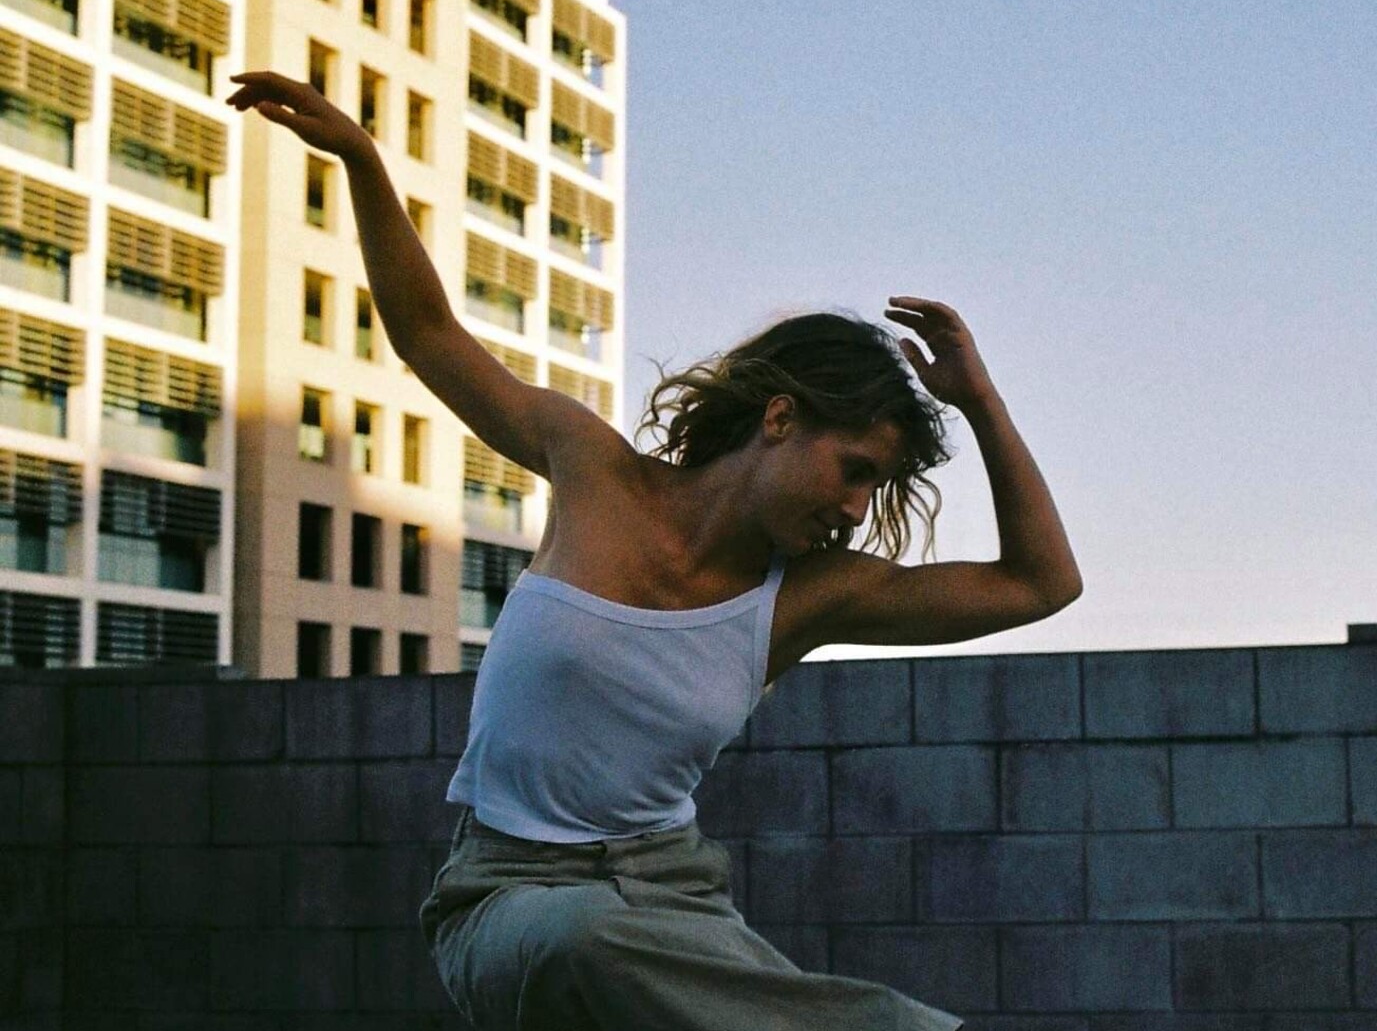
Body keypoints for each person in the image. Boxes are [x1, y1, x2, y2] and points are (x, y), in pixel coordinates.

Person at [225, 71, 1082, 1030]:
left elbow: (1041, 584)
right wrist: (363, 161)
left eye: (876, 488)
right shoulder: (592, 468)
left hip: (675, 909)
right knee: (586, 936)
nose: (854, 508)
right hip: (505, 899)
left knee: (657, 957)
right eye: (851, 470)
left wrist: (982, 403)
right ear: (779, 417)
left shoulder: (809, 597)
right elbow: (428, 335)